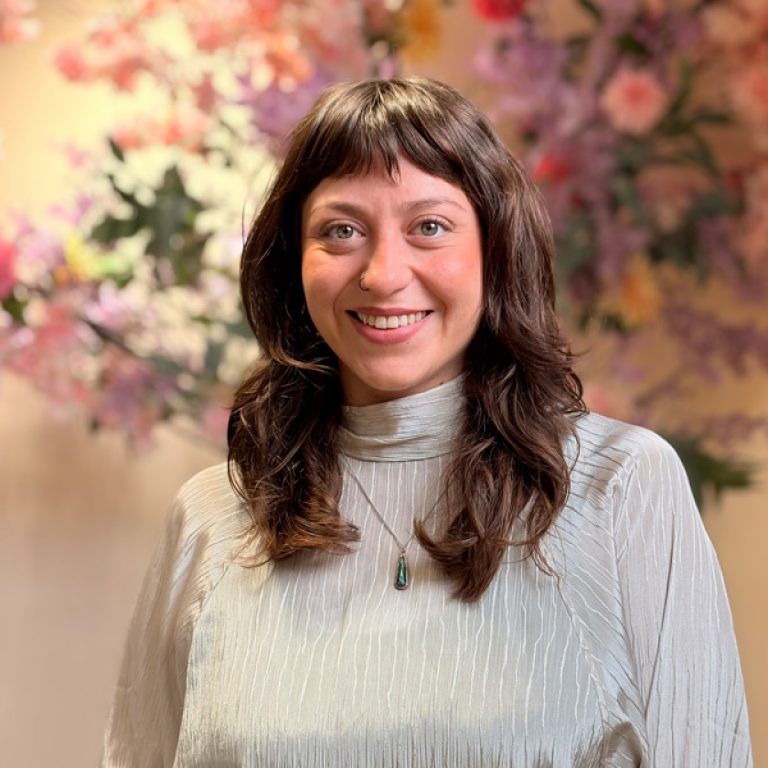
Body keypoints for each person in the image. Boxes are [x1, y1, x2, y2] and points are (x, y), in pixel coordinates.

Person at [101, 77, 753, 767]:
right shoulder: (211, 517)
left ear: (495, 250)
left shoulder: (619, 487)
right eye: (342, 231)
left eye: (429, 227)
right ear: (293, 262)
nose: (383, 275)